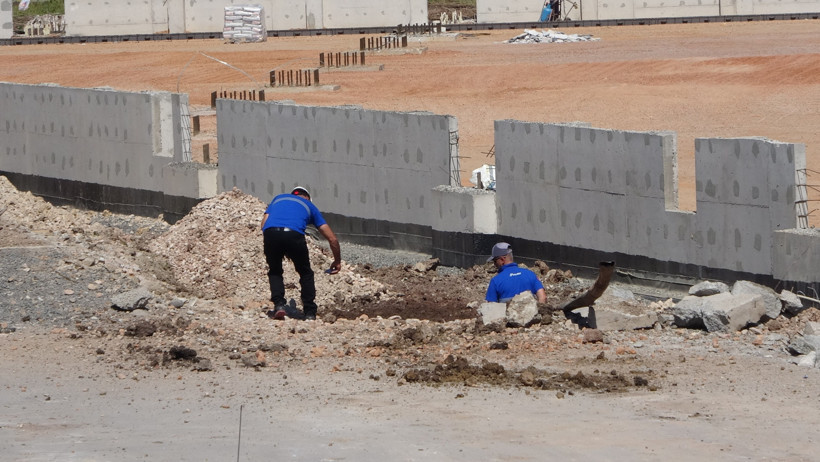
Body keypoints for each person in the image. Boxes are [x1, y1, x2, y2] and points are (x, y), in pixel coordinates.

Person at [261, 186, 341, 320]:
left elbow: (263, 224)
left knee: (275, 271)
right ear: (308, 198)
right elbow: (332, 239)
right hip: (294, 234)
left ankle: (279, 305)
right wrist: (337, 260)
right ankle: (309, 312)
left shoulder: (278, 198)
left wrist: (277, 241)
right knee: (305, 273)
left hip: (271, 233)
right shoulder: (310, 206)